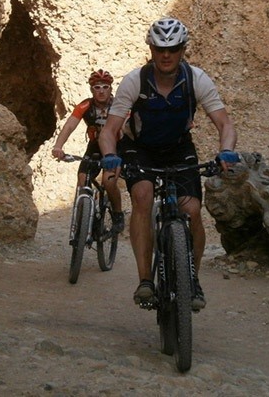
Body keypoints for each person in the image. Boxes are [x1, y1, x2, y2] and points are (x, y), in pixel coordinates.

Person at [98, 17, 239, 310]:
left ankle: (192, 280)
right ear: (150, 48)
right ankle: (146, 280)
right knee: (142, 195)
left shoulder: (196, 79)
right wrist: (111, 157)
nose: (166, 55)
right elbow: (109, 130)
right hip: (139, 148)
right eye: (160, 48)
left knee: (192, 210)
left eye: (173, 48)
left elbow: (225, 123)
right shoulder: (134, 81)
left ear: (183, 49)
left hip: (177, 148)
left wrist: (226, 151)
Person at [51, 69, 124, 232]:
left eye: (105, 87)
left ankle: (118, 214)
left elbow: (130, 126)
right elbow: (70, 125)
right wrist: (58, 146)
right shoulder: (85, 106)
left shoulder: (119, 105)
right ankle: (82, 220)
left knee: (109, 181)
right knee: (82, 178)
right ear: (92, 90)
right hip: (94, 146)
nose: (101, 91)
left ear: (111, 89)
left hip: (116, 146)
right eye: (97, 87)